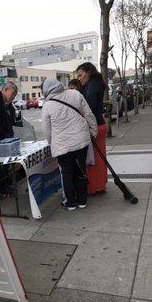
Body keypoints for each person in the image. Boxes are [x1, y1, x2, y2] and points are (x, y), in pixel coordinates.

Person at [41, 79, 97, 210]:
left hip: (62, 145)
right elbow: (88, 114)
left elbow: (46, 130)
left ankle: (70, 202)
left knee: (67, 173)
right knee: (81, 169)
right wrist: (93, 131)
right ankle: (82, 200)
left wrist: (51, 143)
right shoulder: (75, 94)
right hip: (81, 140)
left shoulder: (47, 105)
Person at [76, 62, 108, 194]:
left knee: (92, 160)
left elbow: (90, 107)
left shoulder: (92, 85)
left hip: (95, 126)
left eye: (80, 74)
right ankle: (99, 185)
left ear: (88, 72)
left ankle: (93, 188)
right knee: (98, 159)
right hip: (99, 125)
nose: (79, 78)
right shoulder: (95, 83)